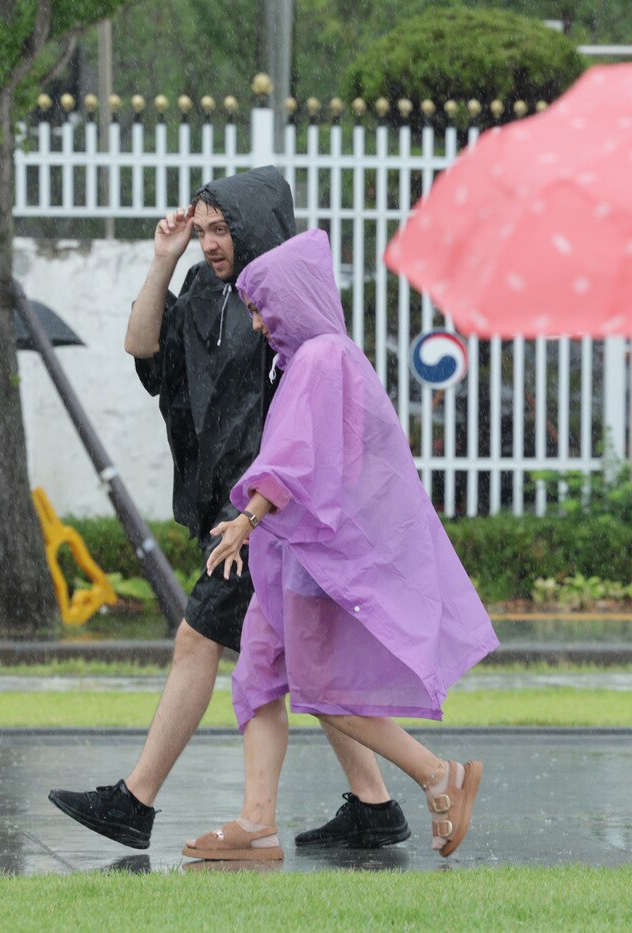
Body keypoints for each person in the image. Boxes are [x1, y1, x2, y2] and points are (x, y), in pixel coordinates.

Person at [49, 167, 411, 853]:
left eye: (224, 229)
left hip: (265, 514)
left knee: (199, 638)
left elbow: (315, 405)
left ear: (255, 228)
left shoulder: (285, 300)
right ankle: (376, 803)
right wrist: (164, 260)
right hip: (229, 504)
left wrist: (261, 506)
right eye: (206, 229)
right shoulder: (199, 290)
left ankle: (138, 799)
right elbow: (144, 352)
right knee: (300, 662)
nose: (212, 242)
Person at [181, 229, 499, 862]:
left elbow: (298, 455)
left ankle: (440, 776)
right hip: (293, 555)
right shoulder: (316, 358)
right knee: (258, 676)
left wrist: (249, 517)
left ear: (292, 298)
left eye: (262, 305)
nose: (256, 320)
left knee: (323, 690)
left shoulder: (322, 358)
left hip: (315, 561)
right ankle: (257, 823)